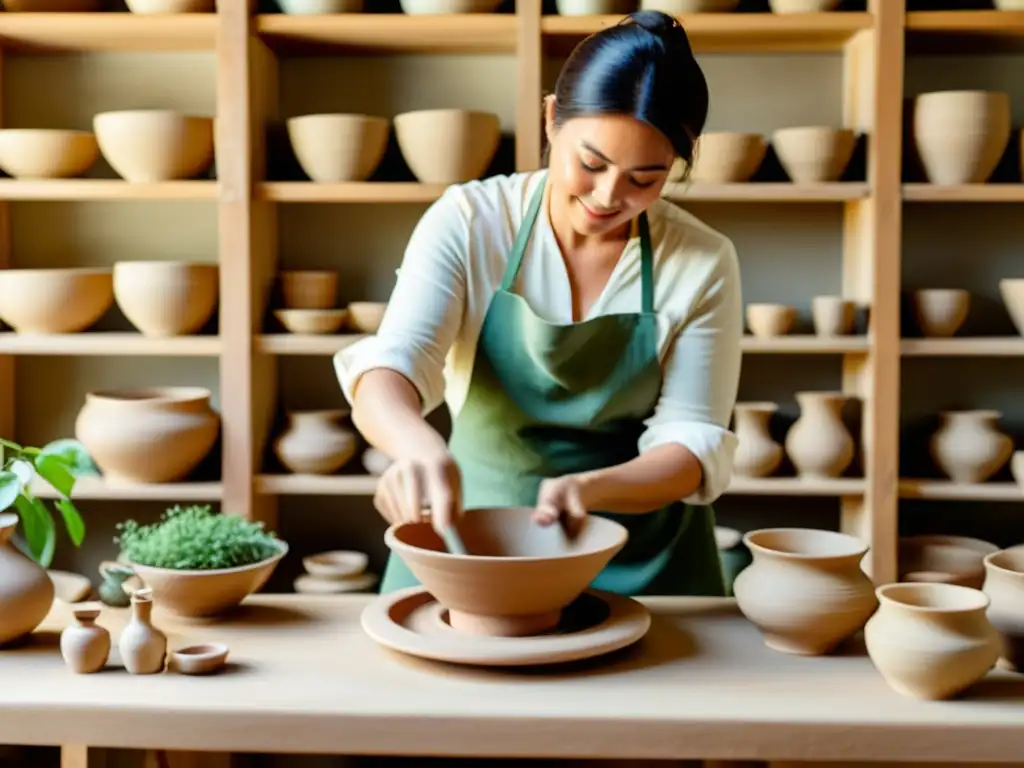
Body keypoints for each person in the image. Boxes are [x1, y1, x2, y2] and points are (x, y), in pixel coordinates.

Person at [335, 9, 743, 598]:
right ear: (552, 119)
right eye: (591, 164)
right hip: (474, 540)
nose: (609, 197)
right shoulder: (472, 222)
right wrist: (416, 447)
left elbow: (692, 439)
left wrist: (591, 489)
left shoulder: (701, 260)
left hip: (641, 554)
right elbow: (394, 364)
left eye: (646, 178)